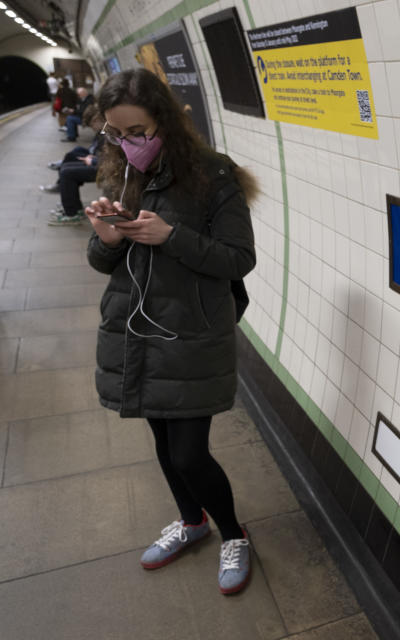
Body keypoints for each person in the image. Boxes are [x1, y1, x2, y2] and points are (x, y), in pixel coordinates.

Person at [84, 68, 258, 594]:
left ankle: (233, 534)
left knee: (189, 452)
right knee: (161, 441)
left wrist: (170, 235)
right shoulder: (119, 173)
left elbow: (238, 258)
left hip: (190, 330)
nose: (128, 143)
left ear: (164, 120)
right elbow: (101, 261)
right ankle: (191, 523)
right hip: (134, 327)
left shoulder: (213, 175)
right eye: (117, 133)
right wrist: (107, 237)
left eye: (137, 131)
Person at [46, 115, 105, 226]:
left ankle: (72, 214)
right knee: (66, 167)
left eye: (93, 123)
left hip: (103, 169)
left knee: (67, 173)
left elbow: (114, 159)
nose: (92, 127)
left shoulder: (109, 133)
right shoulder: (104, 132)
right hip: (100, 163)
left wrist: (93, 160)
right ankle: (75, 207)